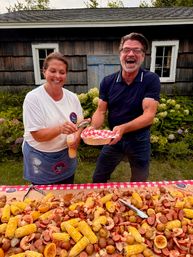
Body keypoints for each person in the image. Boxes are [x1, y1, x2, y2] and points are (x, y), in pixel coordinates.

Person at [91, 32, 160, 182]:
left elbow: (149, 116)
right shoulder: (108, 81)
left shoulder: (150, 79)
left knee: (139, 182)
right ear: (120, 54)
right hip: (113, 139)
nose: (131, 54)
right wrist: (93, 128)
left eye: (137, 50)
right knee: (98, 178)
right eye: (126, 49)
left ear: (143, 56)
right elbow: (100, 110)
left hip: (139, 140)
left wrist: (122, 128)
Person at [22, 51, 85, 185]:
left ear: (66, 75)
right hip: (40, 157)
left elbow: (80, 123)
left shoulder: (72, 98)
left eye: (62, 72)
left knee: (67, 195)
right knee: (43, 200)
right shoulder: (33, 98)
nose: (57, 76)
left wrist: (77, 138)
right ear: (44, 71)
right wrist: (60, 129)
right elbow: (37, 135)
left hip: (65, 155)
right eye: (53, 71)